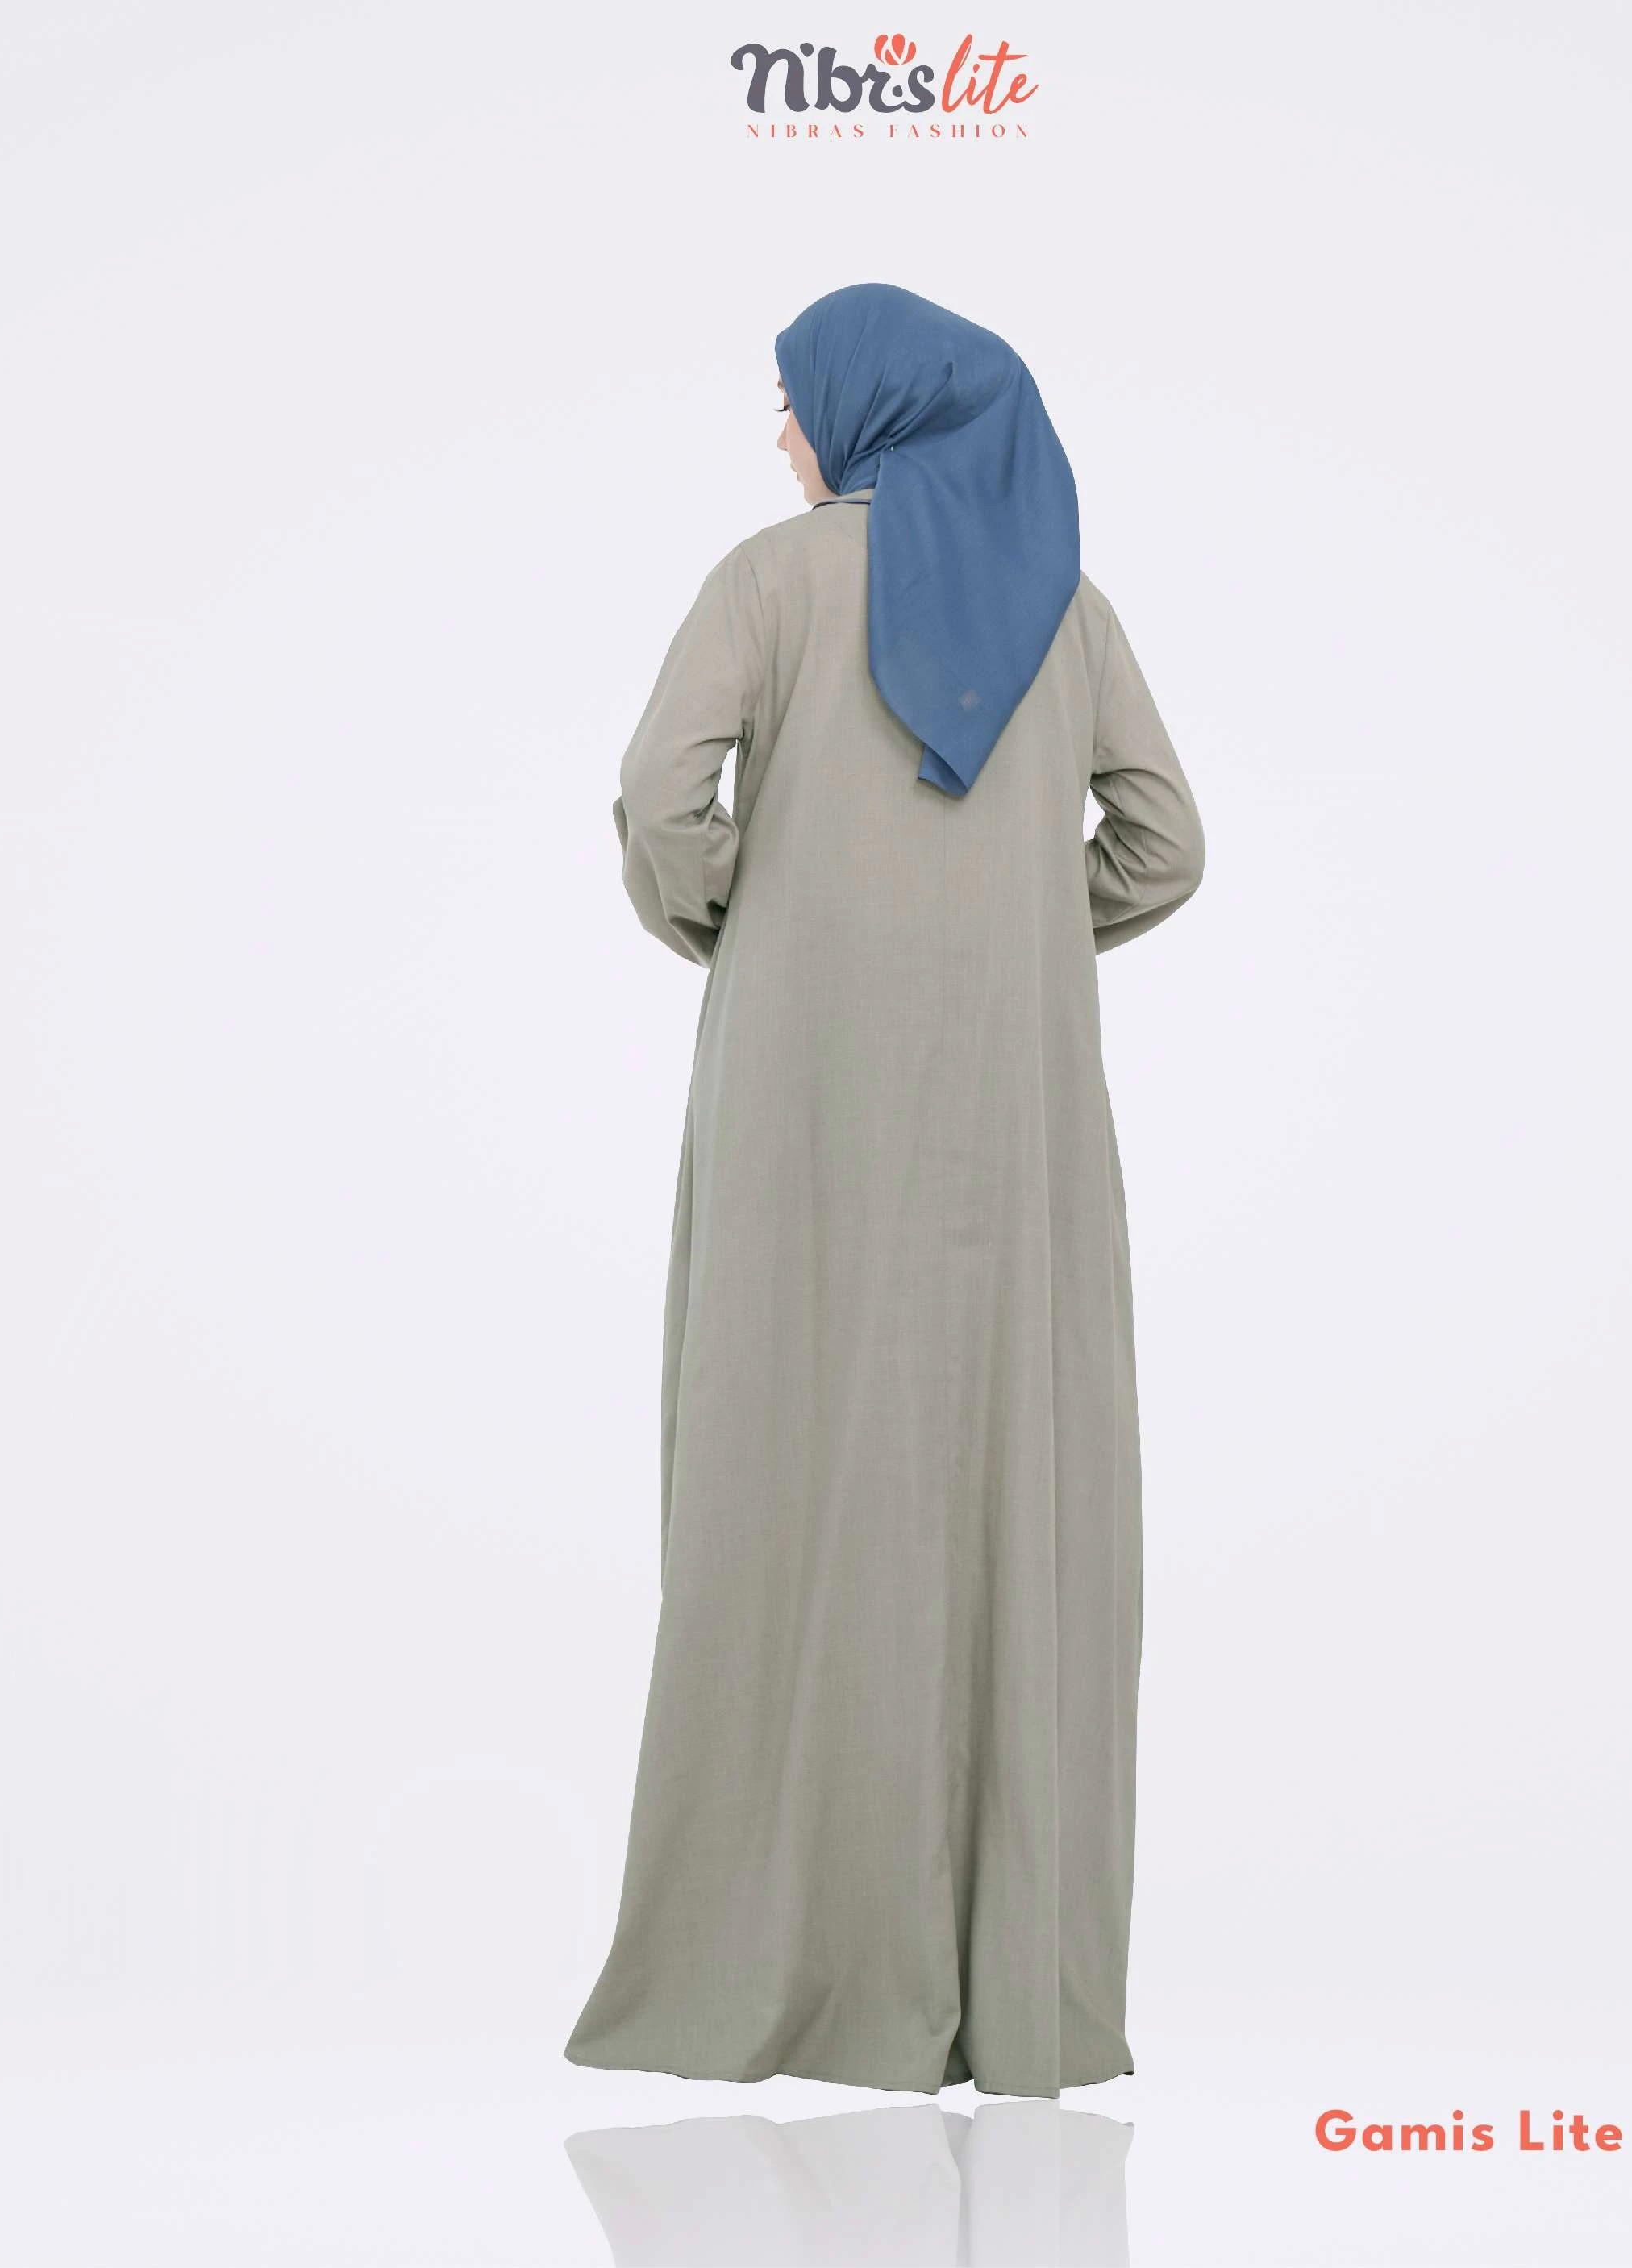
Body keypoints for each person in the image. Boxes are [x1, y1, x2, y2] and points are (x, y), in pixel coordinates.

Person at [565, 282, 1205, 2099]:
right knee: (1011, 1477)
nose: (781, 432)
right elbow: (1166, 841)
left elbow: (658, 790)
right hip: (1014, 1100)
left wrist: (744, 913)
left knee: (782, 1464)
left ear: (867, 409)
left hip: (806, 1090)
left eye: (792, 399)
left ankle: (782, 1967)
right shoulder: (1066, 609)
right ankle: (1010, 1998)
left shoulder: (770, 583)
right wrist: (1022, 926)